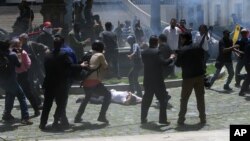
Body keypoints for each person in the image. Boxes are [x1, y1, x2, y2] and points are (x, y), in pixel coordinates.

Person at [39, 35, 87, 130]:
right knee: (60, 104)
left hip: (49, 83)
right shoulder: (64, 55)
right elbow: (70, 66)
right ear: (62, 44)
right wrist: (81, 65)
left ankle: (42, 123)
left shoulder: (47, 55)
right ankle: (56, 121)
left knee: (47, 105)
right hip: (60, 84)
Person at [74, 40, 111, 124]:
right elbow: (106, 67)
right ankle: (102, 116)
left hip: (85, 82)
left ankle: (78, 116)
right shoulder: (100, 55)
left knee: (87, 97)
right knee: (108, 95)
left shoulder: (87, 54)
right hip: (93, 82)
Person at [141, 35, 175, 125]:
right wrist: (171, 58)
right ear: (157, 42)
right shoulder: (157, 52)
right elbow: (164, 63)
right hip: (157, 81)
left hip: (148, 80)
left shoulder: (144, 53)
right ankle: (162, 120)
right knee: (163, 100)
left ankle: (143, 118)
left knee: (146, 100)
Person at [175, 32, 206, 125]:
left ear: (184, 39)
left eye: (181, 39)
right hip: (199, 76)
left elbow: (177, 64)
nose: (180, 40)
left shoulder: (182, 50)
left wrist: (178, 56)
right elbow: (203, 57)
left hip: (188, 78)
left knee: (184, 99)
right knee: (200, 98)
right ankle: (203, 118)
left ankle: (181, 119)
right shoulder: (198, 47)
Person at [0, 40, 33, 125]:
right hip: (12, 80)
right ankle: (25, 118)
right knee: (22, 97)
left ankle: (6, 115)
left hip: (2, 81)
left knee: (10, 95)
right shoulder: (13, 55)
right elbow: (19, 64)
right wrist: (19, 55)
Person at [12, 38, 40, 117]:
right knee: (28, 93)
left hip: (14, 75)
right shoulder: (23, 52)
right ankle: (36, 110)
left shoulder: (11, 53)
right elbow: (28, 63)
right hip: (23, 75)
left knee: (11, 94)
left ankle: (7, 113)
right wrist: (25, 68)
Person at [76, 89, 142, 105]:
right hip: (110, 92)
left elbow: (126, 103)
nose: (128, 97)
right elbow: (141, 99)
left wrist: (130, 94)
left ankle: (84, 98)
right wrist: (131, 95)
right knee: (98, 98)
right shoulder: (133, 96)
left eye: (128, 97)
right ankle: (86, 97)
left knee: (98, 100)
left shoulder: (124, 98)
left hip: (108, 96)